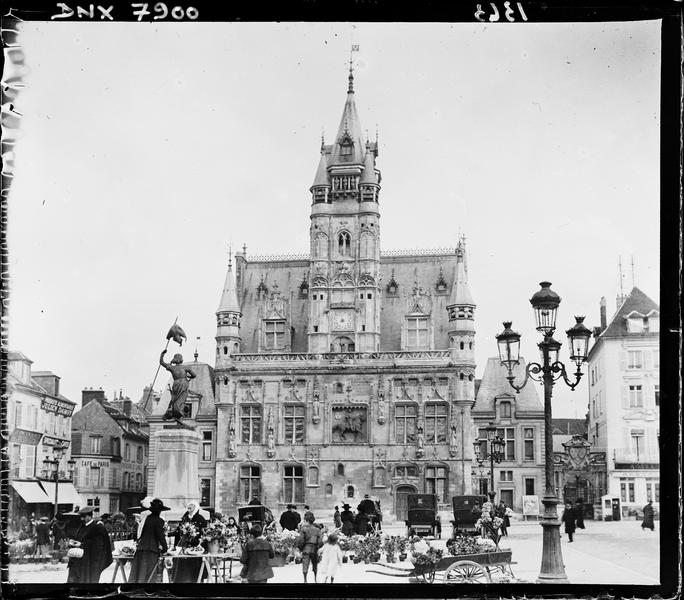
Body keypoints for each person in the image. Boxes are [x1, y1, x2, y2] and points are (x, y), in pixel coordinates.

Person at [67, 506, 113, 583]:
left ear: (89, 516)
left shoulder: (97, 528)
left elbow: (98, 545)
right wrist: (74, 542)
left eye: (83, 517)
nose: (82, 519)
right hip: (78, 560)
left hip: (89, 561)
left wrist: (82, 544)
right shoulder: (82, 526)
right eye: (81, 517)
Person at [129, 499, 169, 583]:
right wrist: (165, 548)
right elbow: (160, 536)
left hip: (141, 548)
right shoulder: (159, 521)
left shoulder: (147, 519)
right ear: (159, 511)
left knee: (138, 573)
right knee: (149, 574)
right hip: (151, 550)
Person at [173, 501, 208, 583]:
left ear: (195, 508)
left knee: (194, 563)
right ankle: (183, 580)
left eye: (190, 508)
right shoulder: (185, 517)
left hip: (195, 543)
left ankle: (195, 580)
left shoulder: (200, 518)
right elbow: (179, 530)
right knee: (183, 562)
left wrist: (198, 540)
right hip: (184, 543)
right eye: (188, 508)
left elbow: (203, 531)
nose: (189, 510)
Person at [159, 349, 196, 424]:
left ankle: (177, 416)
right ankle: (179, 417)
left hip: (176, 384)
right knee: (181, 400)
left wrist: (162, 354)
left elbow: (161, 362)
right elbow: (194, 375)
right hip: (184, 384)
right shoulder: (186, 367)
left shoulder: (172, 367)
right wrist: (189, 376)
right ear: (181, 360)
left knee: (175, 400)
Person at [297, 511, 322, 583]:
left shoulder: (303, 529)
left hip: (306, 548)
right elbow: (320, 541)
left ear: (307, 520)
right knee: (315, 564)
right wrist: (318, 547)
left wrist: (300, 548)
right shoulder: (317, 530)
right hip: (314, 548)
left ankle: (305, 580)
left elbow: (301, 540)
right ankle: (315, 578)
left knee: (305, 564)